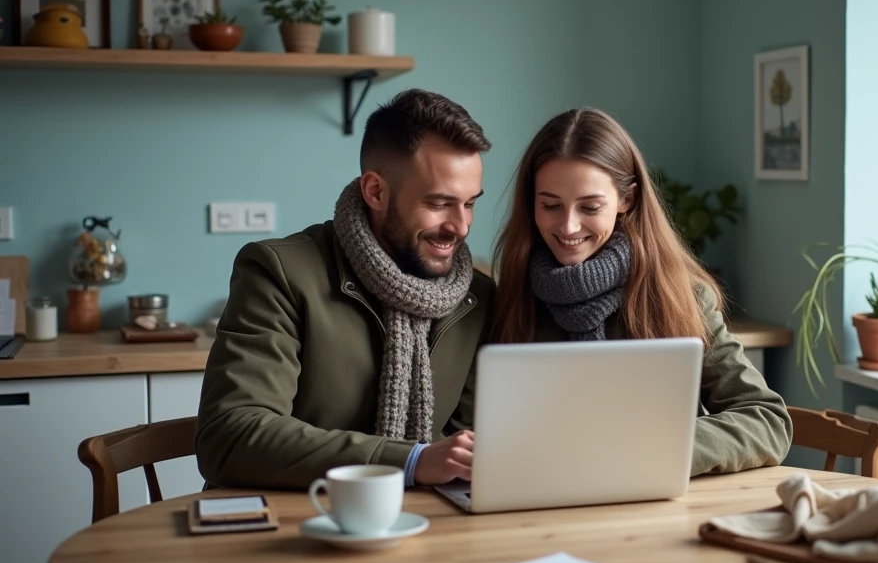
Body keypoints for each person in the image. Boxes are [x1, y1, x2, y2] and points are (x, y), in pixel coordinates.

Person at [196, 89, 493, 490]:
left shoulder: (477, 297)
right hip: (289, 527)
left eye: (469, 203)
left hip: (424, 528)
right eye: (440, 203)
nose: (461, 226)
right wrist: (410, 459)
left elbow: (467, 451)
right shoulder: (279, 272)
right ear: (376, 191)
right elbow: (231, 437)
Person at [491, 108, 792, 476]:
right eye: (550, 205)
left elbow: (767, 421)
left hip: (655, 505)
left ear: (627, 201)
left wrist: (648, 449)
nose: (568, 225)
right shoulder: (508, 297)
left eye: (590, 207)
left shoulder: (681, 296)